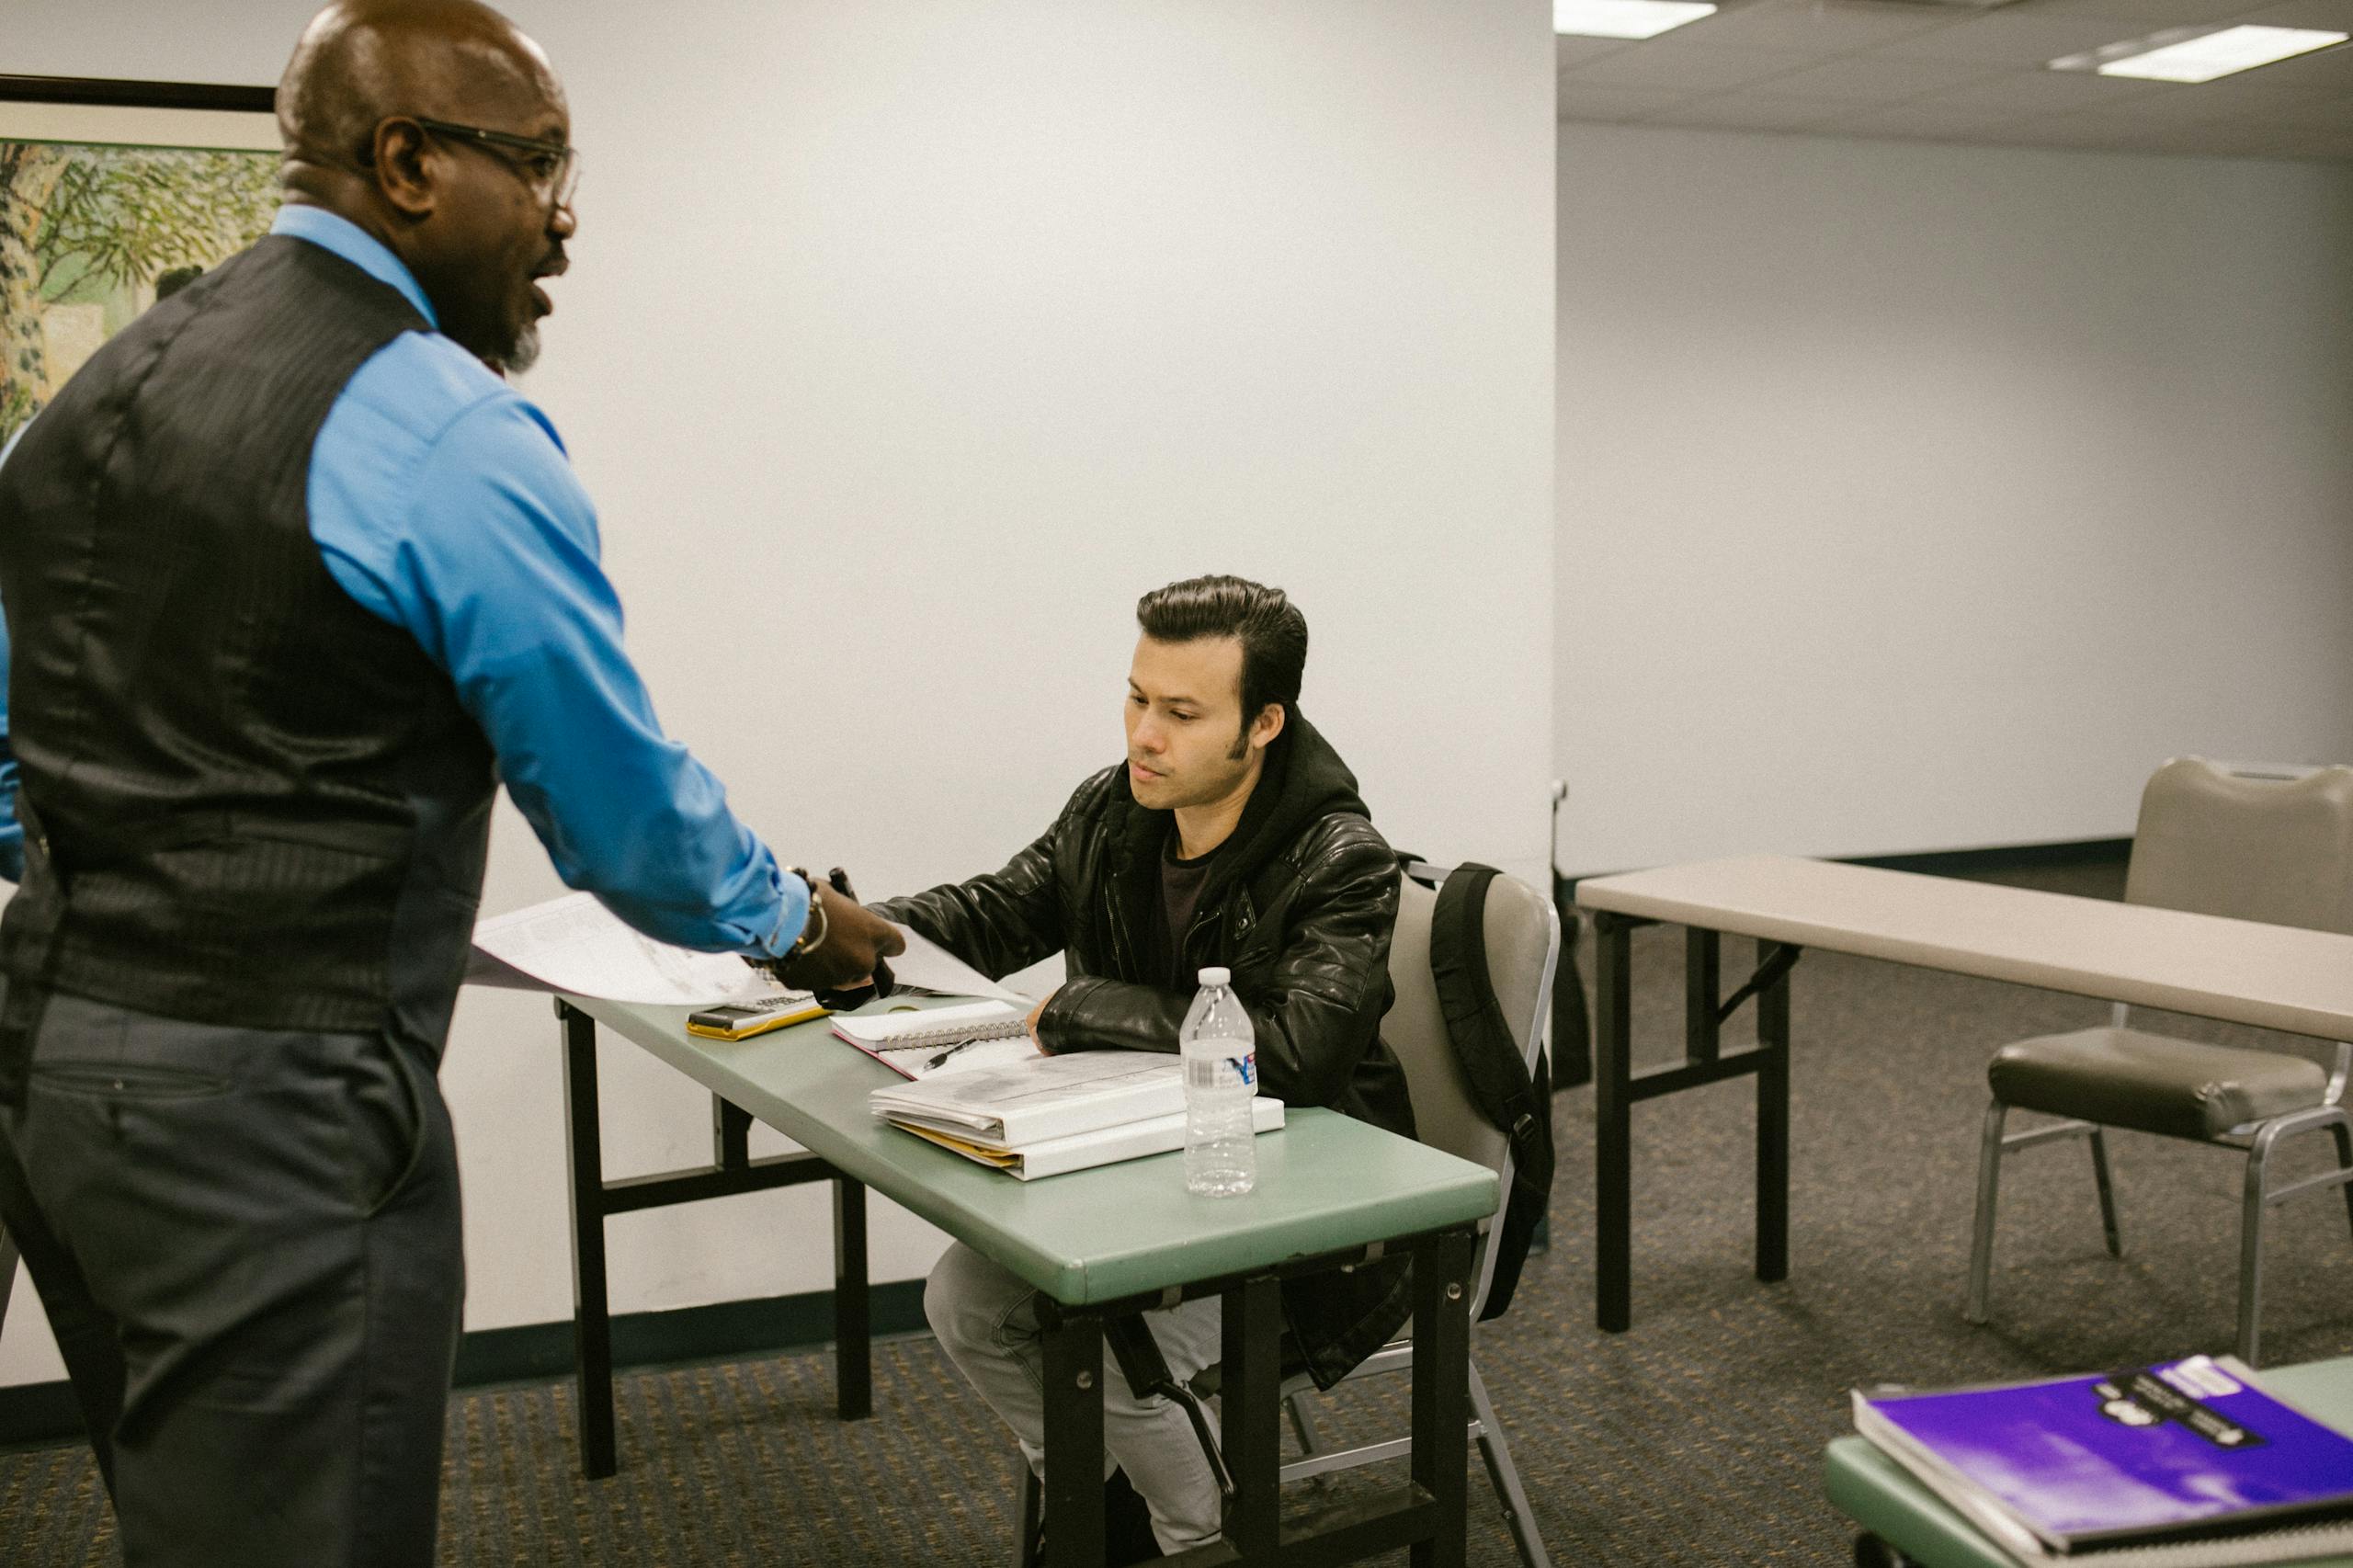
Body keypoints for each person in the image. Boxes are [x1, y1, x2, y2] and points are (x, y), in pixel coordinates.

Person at [0, 4, 901, 1564]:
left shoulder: (89, 397)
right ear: (409, 163)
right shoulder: (446, 430)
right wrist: (800, 922)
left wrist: (131, 878)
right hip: (273, 1118)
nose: (566, 221)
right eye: (541, 166)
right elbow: (625, 822)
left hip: (49, 1072)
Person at [880, 574, 1415, 1560]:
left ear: (1262, 724)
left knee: (1095, 1346)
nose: (1144, 735)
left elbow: (1294, 1052)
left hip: (1298, 1224)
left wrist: (1080, 1008)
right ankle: (1112, 1505)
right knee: (963, 1301)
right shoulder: (1110, 811)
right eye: (1136, 699)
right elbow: (994, 913)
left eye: (1181, 712)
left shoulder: (1339, 857)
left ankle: (1201, 1534)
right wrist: (852, 935)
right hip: (1151, 1185)